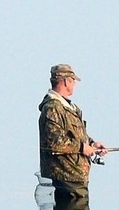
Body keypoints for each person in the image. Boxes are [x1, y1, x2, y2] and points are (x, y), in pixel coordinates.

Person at [38, 63, 106, 198]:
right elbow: (54, 143)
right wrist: (82, 148)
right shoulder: (53, 108)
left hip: (76, 175)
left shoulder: (69, 107)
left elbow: (74, 134)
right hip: (66, 176)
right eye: (73, 81)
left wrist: (92, 144)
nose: (74, 84)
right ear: (65, 82)